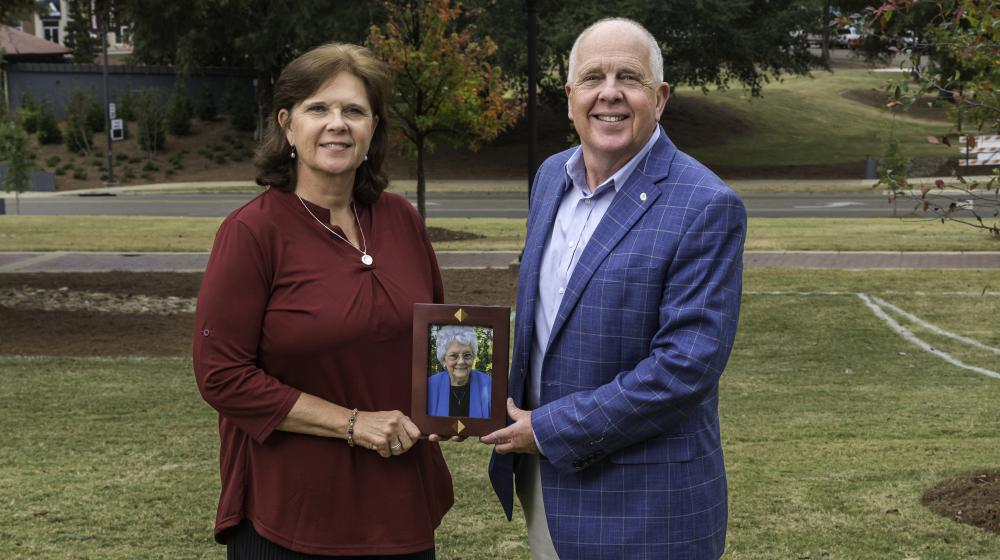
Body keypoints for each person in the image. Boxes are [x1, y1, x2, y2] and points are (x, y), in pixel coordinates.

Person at [482, 18, 747, 560]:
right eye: (592, 78)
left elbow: (683, 369)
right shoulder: (550, 177)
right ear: (570, 96)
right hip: (547, 488)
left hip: (646, 510)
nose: (609, 93)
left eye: (628, 77)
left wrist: (549, 428)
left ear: (660, 97)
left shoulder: (705, 205)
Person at [193, 42, 452, 559]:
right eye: (319, 109)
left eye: (354, 111)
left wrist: (457, 407)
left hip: (399, 505)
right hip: (292, 514)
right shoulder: (253, 232)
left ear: (372, 128)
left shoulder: (401, 220)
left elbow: (438, 338)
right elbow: (222, 375)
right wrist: (355, 424)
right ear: (288, 125)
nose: (337, 124)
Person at [426, 325, 492, 419]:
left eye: (467, 355)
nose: (461, 362)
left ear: (473, 356)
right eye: (453, 356)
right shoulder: (429, 386)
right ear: (444, 360)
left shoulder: (489, 385)